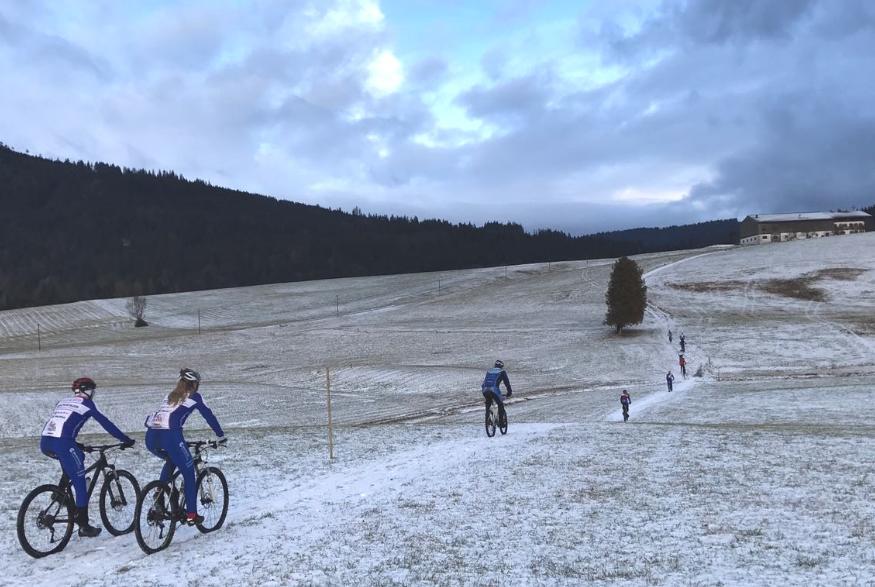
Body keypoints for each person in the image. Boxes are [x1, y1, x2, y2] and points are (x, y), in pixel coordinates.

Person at [40, 377, 135, 537]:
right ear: (88, 391)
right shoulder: (87, 404)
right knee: (80, 481)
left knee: (77, 457)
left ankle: (60, 493)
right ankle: (83, 526)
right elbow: (106, 423)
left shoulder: (63, 401)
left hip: (45, 442)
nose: (93, 394)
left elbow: (62, 424)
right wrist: (125, 439)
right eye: (92, 391)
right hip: (63, 443)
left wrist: (77, 445)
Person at [144, 369, 225, 526]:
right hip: (171, 437)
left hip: (151, 438)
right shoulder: (195, 397)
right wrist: (221, 435)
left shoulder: (170, 396)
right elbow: (208, 415)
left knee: (172, 460)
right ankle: (191, 515)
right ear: (194, 384)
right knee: (188, 473)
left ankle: (159, 497)